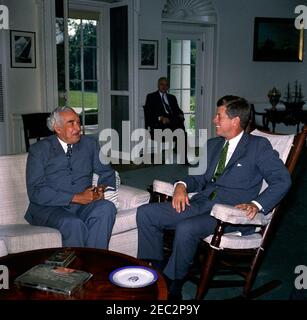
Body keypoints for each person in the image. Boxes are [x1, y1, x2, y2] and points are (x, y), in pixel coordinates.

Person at [137, 95, 292, 299]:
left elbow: (282, 180)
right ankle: (155, 274)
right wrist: (181, 186)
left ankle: (173, 285)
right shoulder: (213, 145)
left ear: (235, 120)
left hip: (229, 214)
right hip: (201, 203)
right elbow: (196, 177)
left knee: (186, 228)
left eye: (219, 116)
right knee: (146, 213)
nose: (214, 120)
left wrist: (257, 204)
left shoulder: (257, 146)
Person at [25, 106, 117, 249]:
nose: (78, 128)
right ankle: (77, 269)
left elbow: (106, 172)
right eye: (71, 123)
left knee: (106, 208)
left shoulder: (90, 144)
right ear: (57, 128)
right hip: (49, 208)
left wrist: (100, 189)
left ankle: (94, 262)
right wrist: (76, 197)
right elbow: (36, 191)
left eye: (79, 122)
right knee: (73, 224)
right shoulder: (39, 150)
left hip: (82, 206)